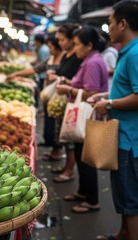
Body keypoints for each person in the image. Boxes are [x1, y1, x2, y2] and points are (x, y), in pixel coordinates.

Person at [89, 1, 138, 239]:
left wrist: (109, 104)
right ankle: (122, 235)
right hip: (123, 136)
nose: (108, 28)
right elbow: (127, 89)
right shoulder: (127, 51)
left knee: (130, 199)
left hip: (131, 140)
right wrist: (106, 95)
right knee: (122, 191)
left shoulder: (135, 53)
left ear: (123, 23)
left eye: (110, 23)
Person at [56, 26, 108, 213]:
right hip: (85, 115)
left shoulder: (92, 62)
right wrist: (70, 83)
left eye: (77, 45)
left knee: (86, 160)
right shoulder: (90, 60)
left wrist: (68, 90)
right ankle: (83, 192)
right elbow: (84, 85)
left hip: (87, 116)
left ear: (89, 45)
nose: (75, 48)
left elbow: (92, 92)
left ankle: (92, 200)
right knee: (80, 156)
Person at [7, 36, 64, 158]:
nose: (49, 49)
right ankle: (51, 146)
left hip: (60, 97)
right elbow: (35, 69)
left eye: (51, 47)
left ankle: (58, 150)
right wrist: (16, 74)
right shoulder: (50, 59)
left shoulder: (66, 59)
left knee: (58, 124)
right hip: (48, 95)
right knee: (49, 122)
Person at [45, 24, 83, 177]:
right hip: (63, 101)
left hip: (72, 102)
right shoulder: (67, 55)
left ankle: (69, 170)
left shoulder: (77, 57)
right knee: (64, 136)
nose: (59, 43)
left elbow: (77, 81)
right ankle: (67, 167)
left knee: (70, 138)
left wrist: (61, 79)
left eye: (62, 40)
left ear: (71, 40)